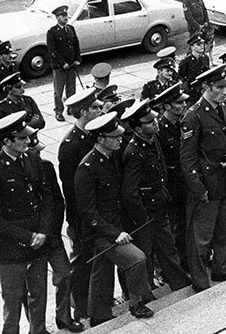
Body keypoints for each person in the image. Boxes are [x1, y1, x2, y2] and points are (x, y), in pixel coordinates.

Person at [75, 112, 155, 325]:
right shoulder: (87, 169)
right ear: (101, 139)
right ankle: (136, 303)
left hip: (117, 224)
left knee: (101, 269)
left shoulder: (112, 158)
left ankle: (98, 315)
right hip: (101, 231)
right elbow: (88, 212)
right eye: (114, 136)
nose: (120, 139)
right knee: (136, 259)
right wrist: (114, 233)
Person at [180, 65, 226, 291]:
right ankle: (200, 281)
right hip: (208, 186)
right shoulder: (193, 115)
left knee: (225, 231)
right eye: (220, 87)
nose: (225, 92)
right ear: (207, 87)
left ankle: (222, 269)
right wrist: (199, 189)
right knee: (201, 239)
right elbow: (187, 158)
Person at [0, 112, 54, 334]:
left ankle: (39, 331)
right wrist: (28, 238)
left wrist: (44, 232)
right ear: (7, 141)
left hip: (38, 242)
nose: (28, 141)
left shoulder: (32, 160)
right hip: (11, 249)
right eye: (22, 138)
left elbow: (47, 197)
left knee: (38, 296)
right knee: (13, 301)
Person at [121, 100, 191, 291]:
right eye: (149, 122)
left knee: (168, 248)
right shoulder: (134, 152)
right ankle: (145, 293)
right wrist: (142, 216)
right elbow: (130, 192)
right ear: (137, 129)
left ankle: (179, 283)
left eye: (154, 119)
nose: (155, 123)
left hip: (159, 207)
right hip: (146, 213)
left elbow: (162, 171)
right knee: (146, 254)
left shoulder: (153, 141)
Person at [28, 133, 85, 333]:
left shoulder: (45, 167)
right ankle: (37, 328)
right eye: (33, 151)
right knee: (36, 289)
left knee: (64, 275)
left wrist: (51, 230)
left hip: (51, 236)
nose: (38, 155)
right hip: (30, 241)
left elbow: (57, 201)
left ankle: (64, 318)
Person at [58, 88, 103, 323]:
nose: (100, 109)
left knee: (98, 261)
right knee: (83, 264)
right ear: (84, 112)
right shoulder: (71, 145)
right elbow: (71, 190)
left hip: (98, 211)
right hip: (82, 218)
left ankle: (95, 301)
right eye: (95, 107)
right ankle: (81, 307)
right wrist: (77, 223)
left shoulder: (95, 135)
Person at [151, 84, 190, 261]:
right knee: (171, 228)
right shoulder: (159, 130)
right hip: (171, 187)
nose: (184, 105)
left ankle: (183, 258)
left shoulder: (183, 123)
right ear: (167, 106)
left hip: (185, 183)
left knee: (184, 224)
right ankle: (167, 266)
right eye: (179, 103)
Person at [47, 5, 81, 122]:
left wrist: (77, 59)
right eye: (62, 16)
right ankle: (58, 111)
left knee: (71, 89)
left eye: (66, 15)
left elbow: (76, 44)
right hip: (60, 67)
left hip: (71, 65)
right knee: (58, 91)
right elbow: (52, 51)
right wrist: (62, 63)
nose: (65, 18)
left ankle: (71, 107)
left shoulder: (70, 28)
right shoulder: (52, 32)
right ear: (57, 18)